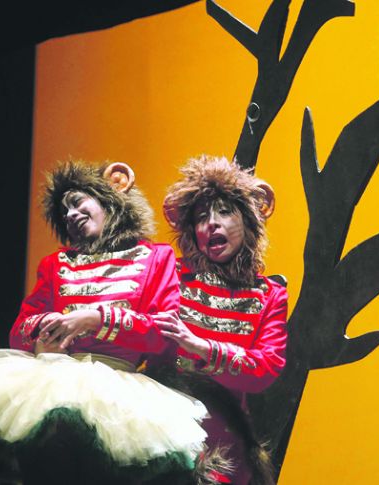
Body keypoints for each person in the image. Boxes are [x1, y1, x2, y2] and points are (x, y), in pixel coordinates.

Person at [0, 160, 212, 485]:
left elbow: (163, 333)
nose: (70, 214)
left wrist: (97, 319)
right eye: (64, 212)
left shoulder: (156, 257)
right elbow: (20, 332)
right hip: (54, 379)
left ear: (109, 200)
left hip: (122, 392)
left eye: (77, 202)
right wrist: (45, 327)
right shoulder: (56, 264)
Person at [151, 155, 288, 485]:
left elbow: (266, 368)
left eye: (225, 212)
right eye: (201, 217)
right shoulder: (169, 274)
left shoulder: (269, 295)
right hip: (155, 430)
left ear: (249, 222)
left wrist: (202, 347)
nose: (211, 223)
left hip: (222, 442)